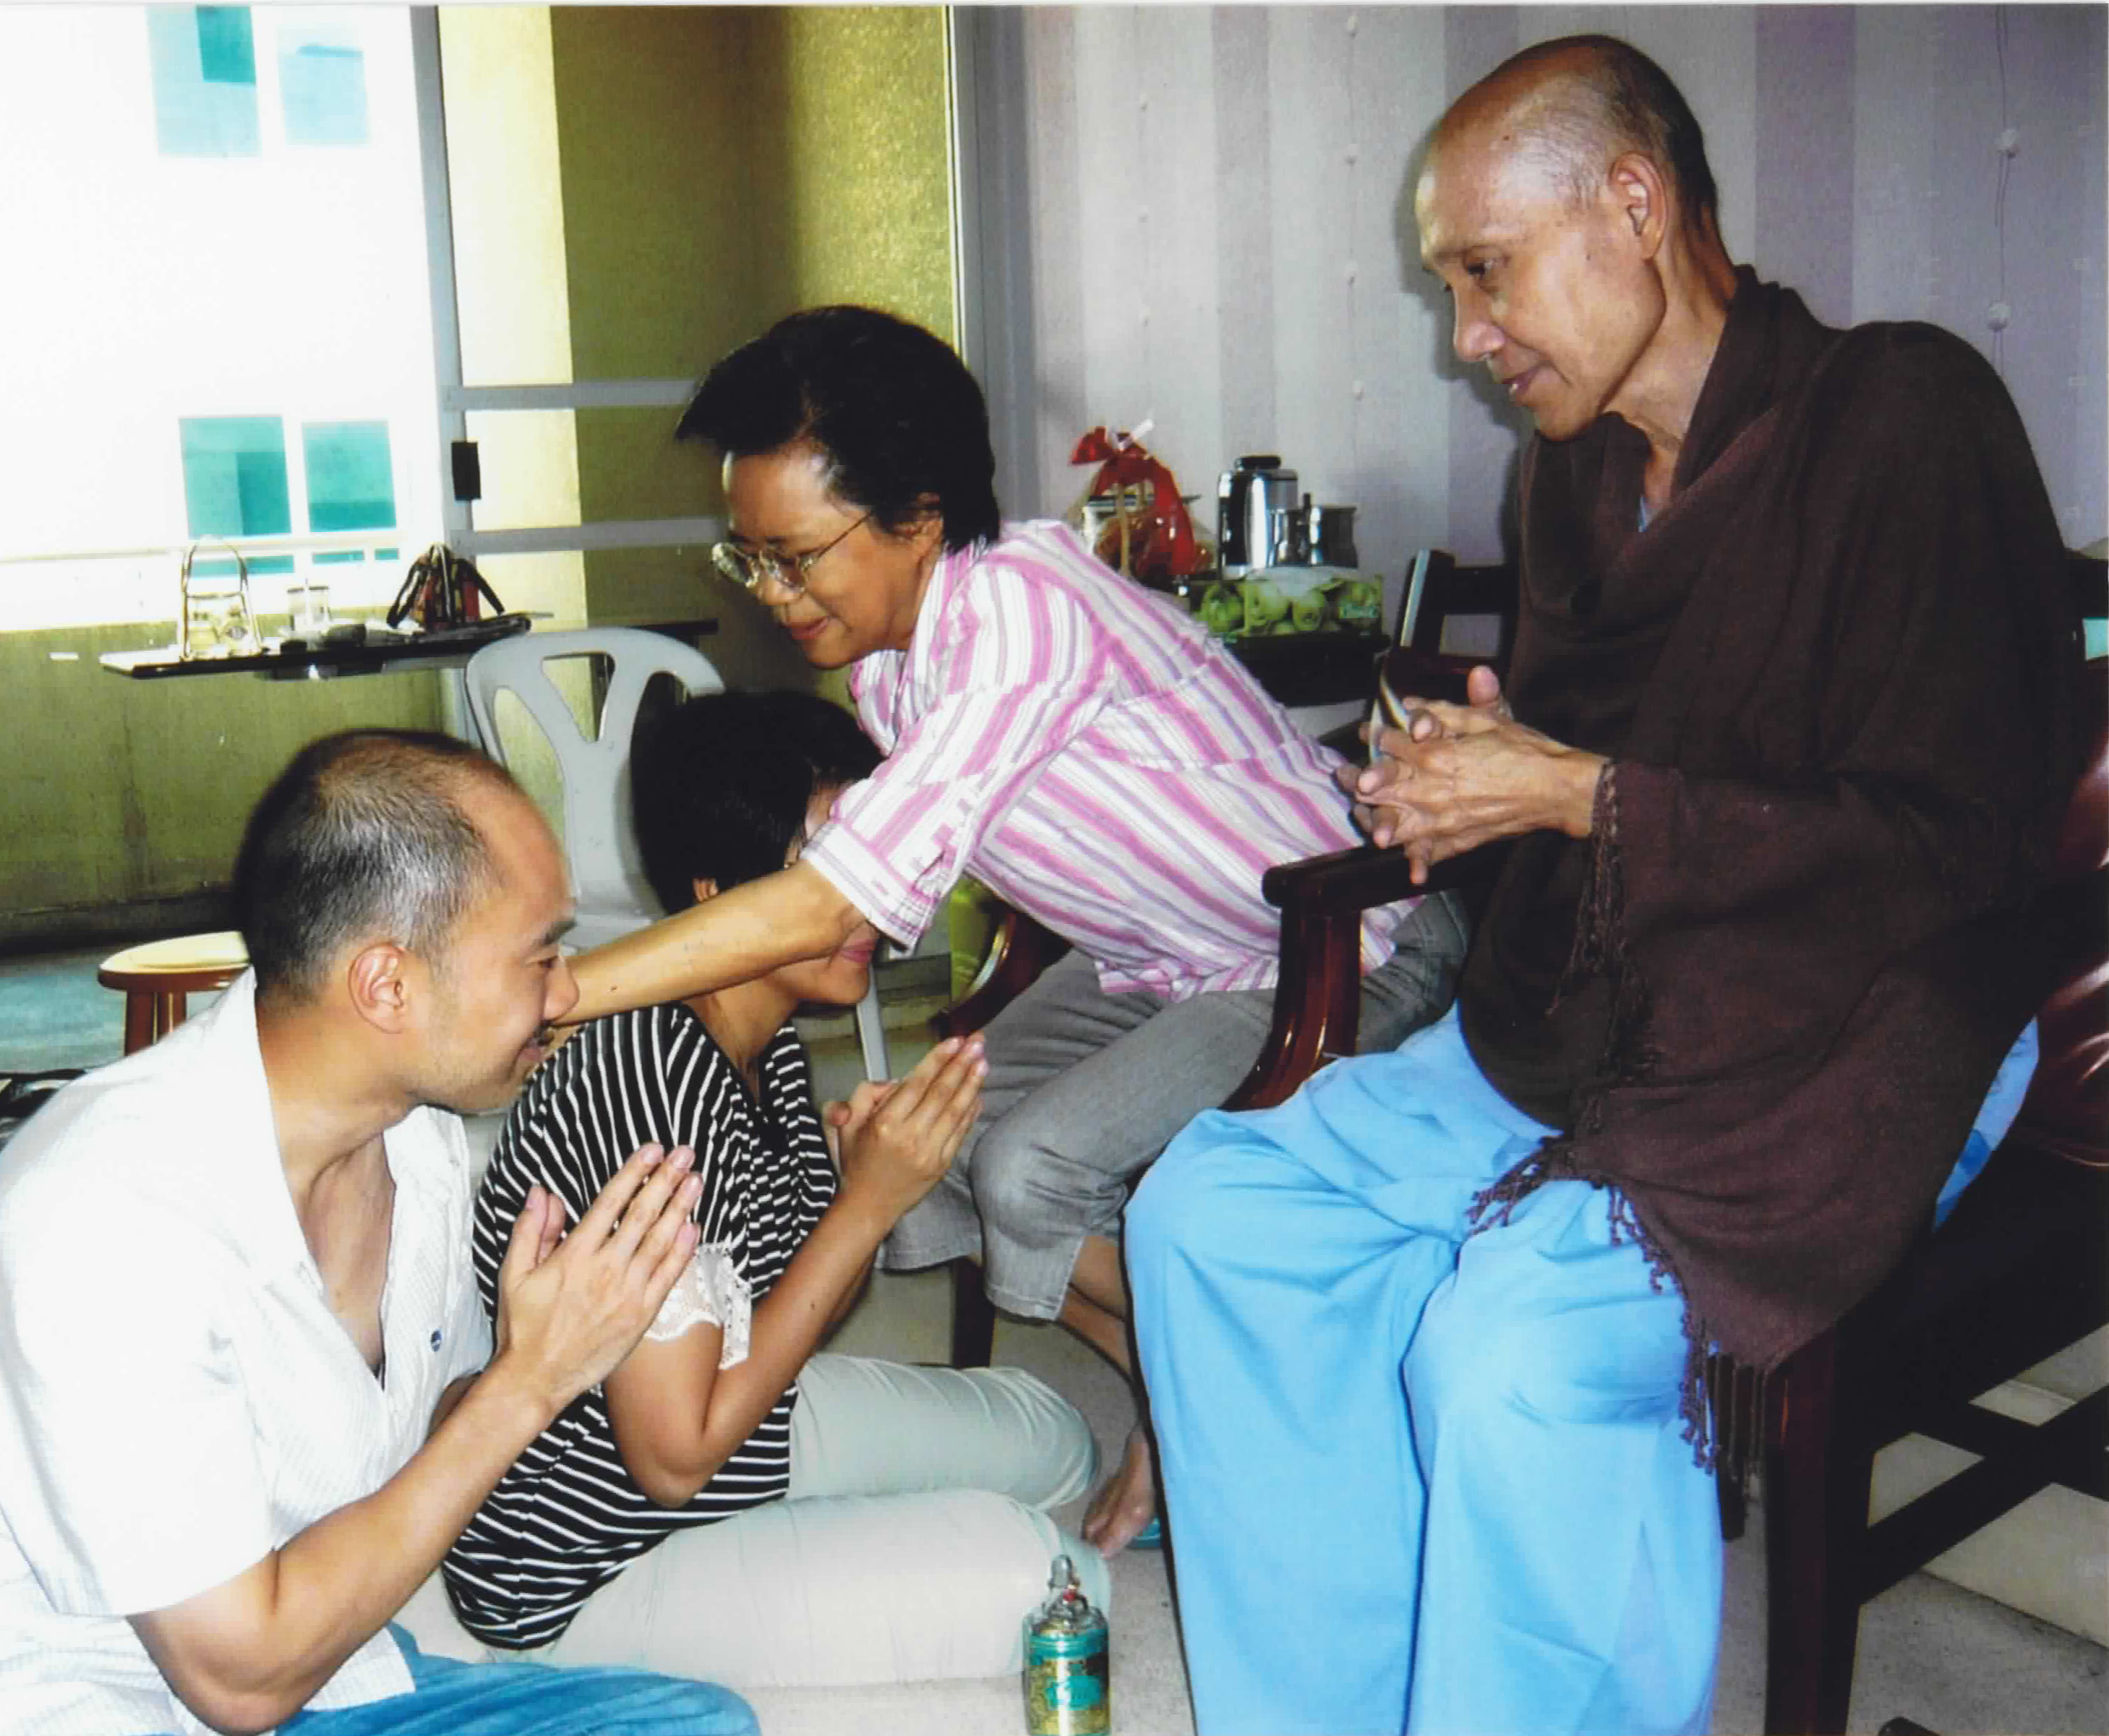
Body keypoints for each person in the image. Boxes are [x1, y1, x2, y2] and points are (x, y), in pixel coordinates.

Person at [1126, 35, 2084, 1736]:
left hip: (1862, 1028)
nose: (1467, 336)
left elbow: (1957, 843)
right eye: (1450, 287)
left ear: (1633, 203)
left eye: (1484, 271)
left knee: (1510, 1349)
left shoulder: (1900, 414)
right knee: (1211, 1213)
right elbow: (1587, 781)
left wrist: (1578, 794)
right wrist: (1472, 790)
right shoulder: (1567, 475)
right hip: (1594, 1020)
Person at [564, 304, 1469, 1554]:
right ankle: (1187, 1390)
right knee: (921, 1143)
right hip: (1165, 959)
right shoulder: (890, 669)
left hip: (1341, 941)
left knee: (1030, 1167)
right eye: (750, 558)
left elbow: (832, 895)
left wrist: (565, 990)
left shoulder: (1021, 612)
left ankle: (1239, 1397)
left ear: (919, 517)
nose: (773, 592)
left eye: (798, 556)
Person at [0, 731, 757, 1736]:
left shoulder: (419, 1143)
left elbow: (432, 1434)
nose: (565, 995)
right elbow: (243, 1680)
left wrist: (555, 1341)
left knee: (698, 1726)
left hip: (299, 1677)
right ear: (387, 985)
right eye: (540, 957)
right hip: (37, 1701)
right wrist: (530, 1384)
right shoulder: (100, 1221)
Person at [442, 690, 1102, 1685]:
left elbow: (786, 1320)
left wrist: (856, 1197)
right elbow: (674, 1457)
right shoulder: (648, 1091)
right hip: (584, 1557)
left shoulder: (768, 1046)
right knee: (1057, 1579)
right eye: (822, 867)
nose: (868, 902)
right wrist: (866, 1209)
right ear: (720, 892)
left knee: (1059, 1439)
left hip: (738, 1428)